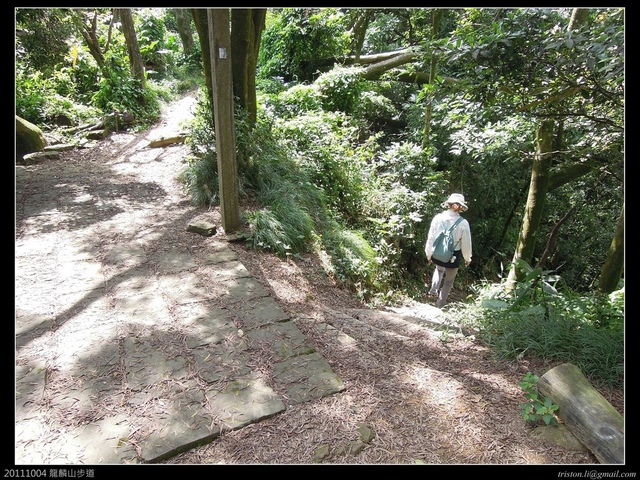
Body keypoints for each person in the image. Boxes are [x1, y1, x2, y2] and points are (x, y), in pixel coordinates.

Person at [424, 193, 472, 308]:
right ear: (461, 207)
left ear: (448, 204)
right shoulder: (463, 223)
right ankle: (440, 304)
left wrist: (428, 254)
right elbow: (466, 243)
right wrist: (467, 258)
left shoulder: (438, 218)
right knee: (449, 281)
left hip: (438, 251)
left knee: (439, 270)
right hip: (453, 255)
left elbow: (431, 237)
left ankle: (433, 290)